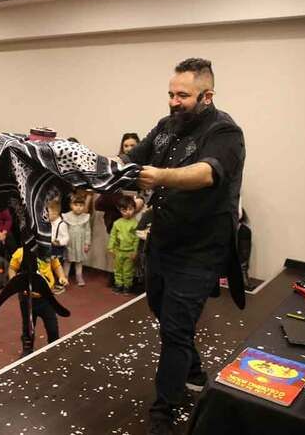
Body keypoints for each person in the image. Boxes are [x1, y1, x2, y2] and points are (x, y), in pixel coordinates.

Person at [118, 58, 246, 435]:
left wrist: (162, 177)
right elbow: (130, 159)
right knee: (161, 308)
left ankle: (164, 412)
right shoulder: (164, 127)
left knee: (175, 329)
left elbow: (206, 173)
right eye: (171, 93)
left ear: (207, 96)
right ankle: (192, 370)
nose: (174, 101)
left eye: (183, 95)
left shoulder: (226, 133)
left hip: (201, 250)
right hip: (163, 242)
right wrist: (99, 167)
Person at [9, 246, 67, 357]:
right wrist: (14, 282)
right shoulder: (20, 253)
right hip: (27, 299)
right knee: (28, 327)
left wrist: (62, 276)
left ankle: (54, 345)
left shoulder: (48, 250)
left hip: (46, 298)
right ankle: (27, 349)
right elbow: (12, 268)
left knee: (52, 326)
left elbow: (56, 265)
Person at [95, 133, 141, 235]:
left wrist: (140, 200)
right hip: (115, 217)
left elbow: (146, 192)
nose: (129, 149)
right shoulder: (115, 166)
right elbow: (99, 203)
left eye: (132, 145)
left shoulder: (144, 166)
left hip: (136, 216)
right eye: (126, 146)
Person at [107, 196, 139, 293]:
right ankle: (118, 285)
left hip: (129, 252)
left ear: (134, 209)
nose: (128, 212)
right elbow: (112, 236)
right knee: (117, 269)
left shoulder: (135, 224)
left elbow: (137, 239)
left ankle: (127, 286)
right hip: (118, 251)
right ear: (120, 210)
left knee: (128, 270)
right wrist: (110, 248)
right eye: (124, 210)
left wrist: (135, 251)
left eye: (130, 209)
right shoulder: (117, 223)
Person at [62, 194, 92, 287]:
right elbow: (63, 229)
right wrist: (63, 240)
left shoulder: (85, 217)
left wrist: (87, 243)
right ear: (71, 205)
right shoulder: (67, 217)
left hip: (80, 242)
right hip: (70, 242)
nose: (79, 208)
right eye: (76, 205)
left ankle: (79, 276)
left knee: (79, 261)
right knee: (67, 260)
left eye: (81, 205)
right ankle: (64, 277)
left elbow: (88, 231)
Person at [48, 200, 69, 295]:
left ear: (56, 213)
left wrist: (59, 242)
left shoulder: (62, 224)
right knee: (49, 265)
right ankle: (51, 283)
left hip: (57, 249)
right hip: (49, 247)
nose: (46, 215)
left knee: (58, 265)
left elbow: (66, 238)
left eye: (49, 213)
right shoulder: (49, 223)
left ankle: (60, 284)